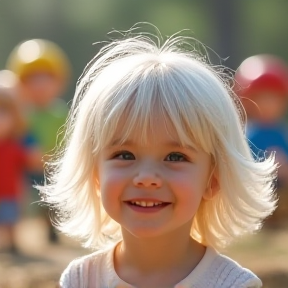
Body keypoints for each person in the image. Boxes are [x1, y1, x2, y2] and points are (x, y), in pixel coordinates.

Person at [37, 27, 277, 287]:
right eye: (124, 154)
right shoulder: (81, 279)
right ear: (94, 173)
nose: (147, 178)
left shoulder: (232, 285)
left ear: (213, 179)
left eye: (175, 157)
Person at [6, 39, 71, 241]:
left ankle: (51, 227)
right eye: (32, 80)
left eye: (46, 79)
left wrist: (58, 157)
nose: (40, 86)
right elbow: (17, 138)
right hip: (26, 166)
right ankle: (12, 230)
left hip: (52, 166)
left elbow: (68, 139)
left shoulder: (61, 113)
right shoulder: (21, 115)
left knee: (51, 200)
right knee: (19, 196)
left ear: (58, 82)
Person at [234, 54, 288, 227]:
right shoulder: (247, 133)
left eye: (273, 98)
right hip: (259, 184)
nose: (268, 105)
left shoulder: (281, 133)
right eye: (262, 98)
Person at [0, 70, 42, 253]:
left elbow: (33, 161)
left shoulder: (17, 145)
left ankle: (12, 242)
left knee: (10, 217)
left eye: (4, 112)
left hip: (11, 192)